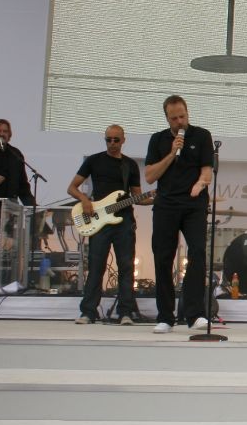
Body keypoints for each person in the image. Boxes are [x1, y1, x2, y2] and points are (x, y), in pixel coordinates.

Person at [145, 95, 214, 334]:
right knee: (163, 257)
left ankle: (194, 314)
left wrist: (200, 184)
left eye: (182, 116)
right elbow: (150, 176)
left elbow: (207, 171)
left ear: (187, 113)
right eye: (174, 118)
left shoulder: (202, 136)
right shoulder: (157, 139)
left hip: (194, 204)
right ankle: (165, 316)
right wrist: (172, 152)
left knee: (197, 252)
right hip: (166, 204)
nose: (179, 122)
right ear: (167, 118)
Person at [68, 125, 147, 325]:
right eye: (108, 140)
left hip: (124, 221)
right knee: (96, 266)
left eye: (116, 140)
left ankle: (125, 312)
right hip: (99, 220)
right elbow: (72, 187)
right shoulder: (94, 160)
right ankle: (88, 312)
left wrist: (156, 198)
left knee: (126, 266)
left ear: (123, 140)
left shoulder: (129, 165)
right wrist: (85, 200)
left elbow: (137, 196)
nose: (112, 143)